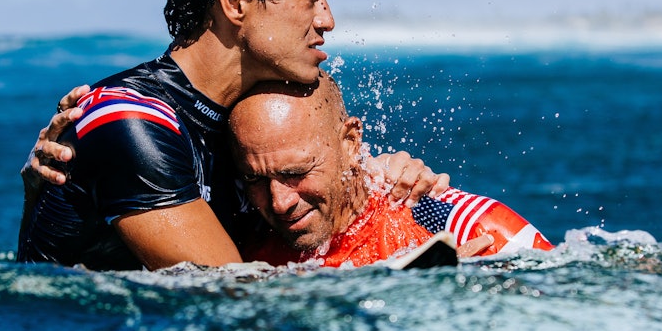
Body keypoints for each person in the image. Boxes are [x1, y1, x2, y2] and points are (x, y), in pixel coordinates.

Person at [17, 0, 446, 271]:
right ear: (236, 2)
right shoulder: (126, 119)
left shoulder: (245, 125)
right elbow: (235, 296)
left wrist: (387, 181)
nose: (327, 20)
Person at [229, 75, 555, 267]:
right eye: (254, 178)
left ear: (351, 142)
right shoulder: (232, 233)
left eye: (296, 172)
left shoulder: (472, 229)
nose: (279, 203)